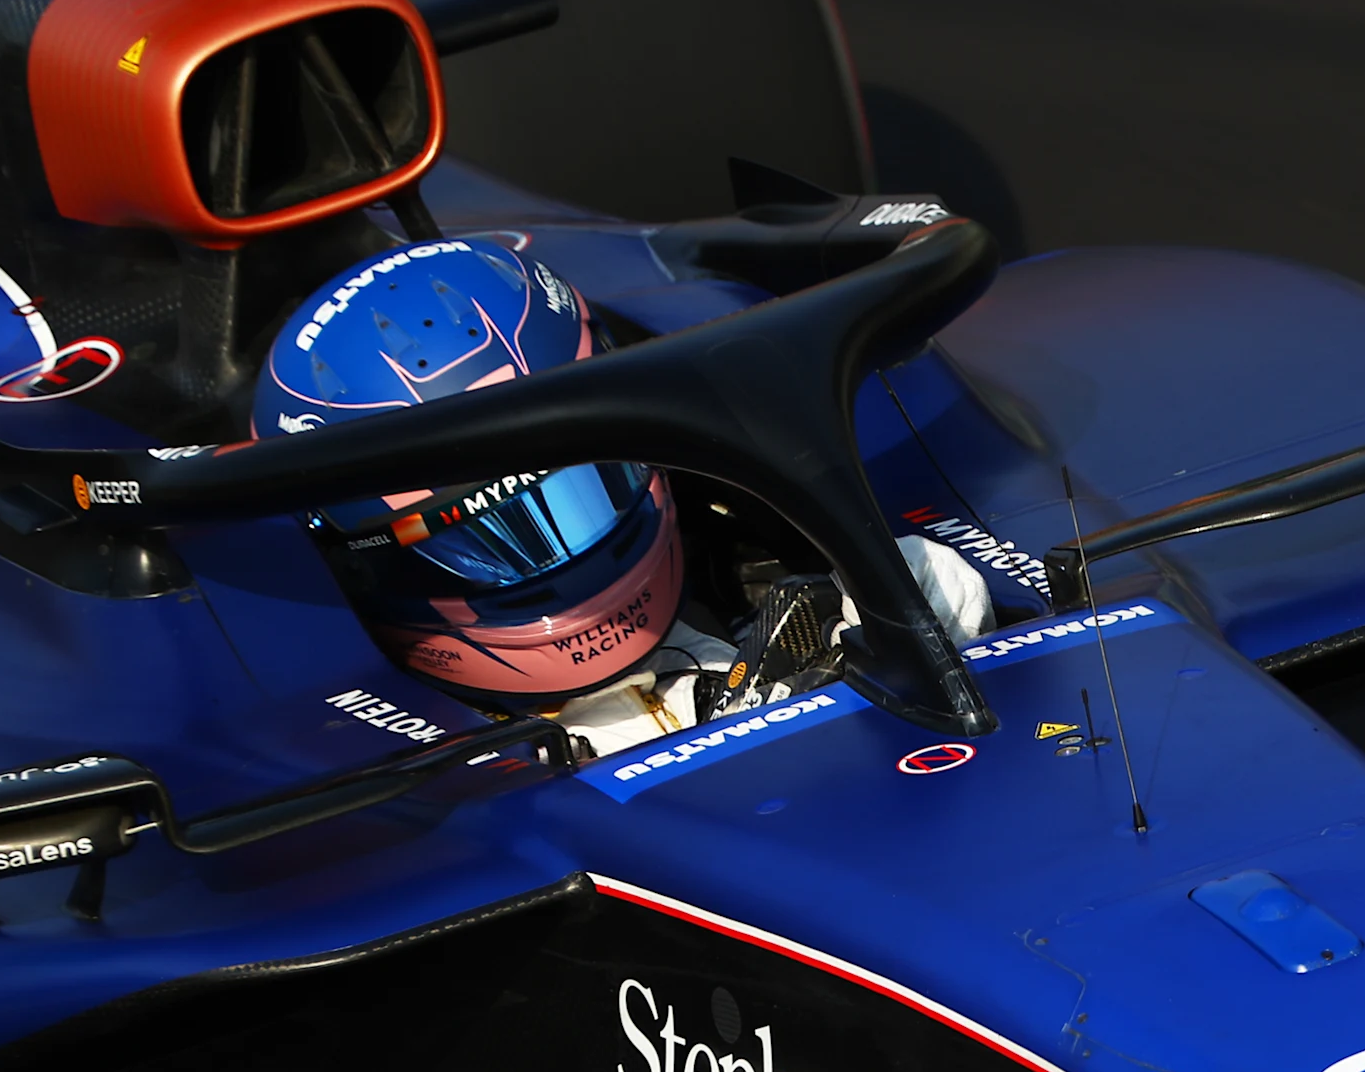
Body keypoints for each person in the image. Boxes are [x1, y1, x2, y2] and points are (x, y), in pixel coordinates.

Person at [255, 235, 989, 754]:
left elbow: (936, 580)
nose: (567, 556)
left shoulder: (750, 628)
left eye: (584, 491)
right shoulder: (398, 788)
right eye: (495, 540)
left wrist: (872, 627)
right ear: (365, 559)